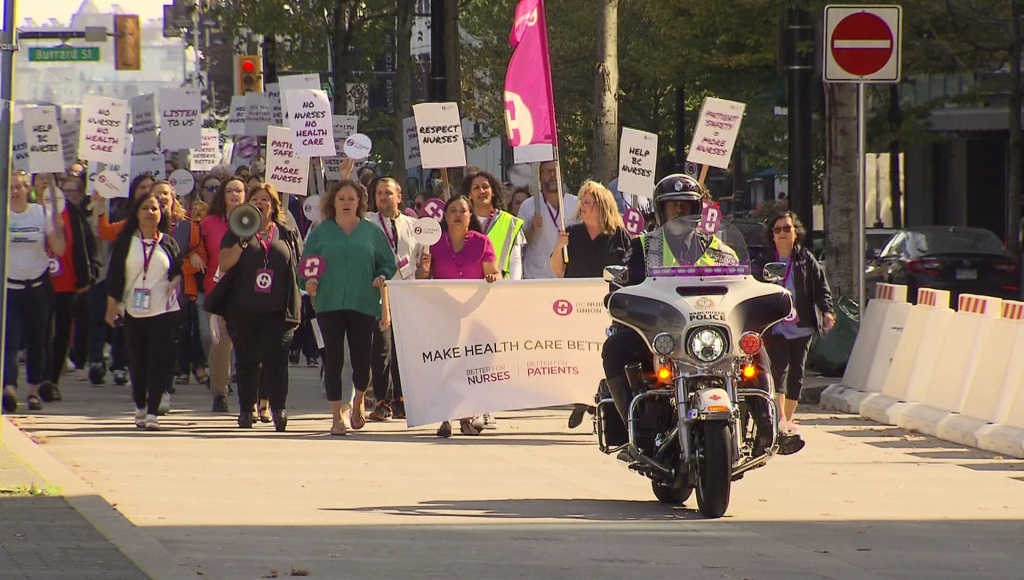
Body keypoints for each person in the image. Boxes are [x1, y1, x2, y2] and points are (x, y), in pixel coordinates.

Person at [601, 174, 805, 455]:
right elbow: (624, 284)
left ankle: (770, 428)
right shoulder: (644, 248)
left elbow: (745, 281)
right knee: (614, 347)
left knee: (752, 344)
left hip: (712, 332)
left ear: (697, 210)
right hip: (661, 336)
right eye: (672, 207)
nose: (679, 213)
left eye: (685, 207)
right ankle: (632, 433)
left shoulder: (720, 250)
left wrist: (762, 285)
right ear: (660, 211)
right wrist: (619, 290)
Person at [302, 180, 396, 436]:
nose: (346, 203)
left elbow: (388, 263)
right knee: (333, 360)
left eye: (351, 199)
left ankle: (357, 403)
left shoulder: (371, 232)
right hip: (328, 302)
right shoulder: (322, 232)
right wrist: (309, 282)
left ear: (359, 203)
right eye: (341, 198)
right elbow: (306, 265)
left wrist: (382, 277)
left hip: (363, 302)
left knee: (360, 360)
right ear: (333, 202)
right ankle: (336, 417)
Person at [217, 183, 302, 431]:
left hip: (278, 310)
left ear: (274, 206)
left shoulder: (286, 232)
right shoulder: (236, 231)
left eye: (266, 199)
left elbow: (295, 267)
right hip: (244, 310)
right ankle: (246, 410)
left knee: (277, 361)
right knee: (247, 360)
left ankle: (278, 409)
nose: (260, 202)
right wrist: (243, 241)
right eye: (255, 198)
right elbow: (224, 263)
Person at [416, 196, 501, 437]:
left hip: (474, 312)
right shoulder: (433, 244)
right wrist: (422, 270)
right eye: (451, 210)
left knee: (468, 367)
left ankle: (466, 416)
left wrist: (493, 278)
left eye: (462, 210)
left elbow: (494, 273)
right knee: (445, 364)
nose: (456, 214)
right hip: (443, 313)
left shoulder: (482, 242)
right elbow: (422, 281)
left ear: (470, 215)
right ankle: (445, 418)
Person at [551, 181, 631, 429]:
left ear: (601, 205)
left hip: (609, 306)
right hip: (578, 307)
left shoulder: (619, 234)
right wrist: (559, 247)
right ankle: (582, 399)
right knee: (580, 353)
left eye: (587, 202)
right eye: (581, 202)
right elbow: (557, 270)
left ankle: (597, 400)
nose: (582, 207)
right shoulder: (572, 234)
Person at [104, 190, 182, 431]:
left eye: (155, 209)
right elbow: (115, 276)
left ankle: (153, 412)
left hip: (163, 311)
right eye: (146, 208)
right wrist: (112, 307)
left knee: (159, 361)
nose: (151, 213)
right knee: (138, 361)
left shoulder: (168, 242)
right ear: (136, 213)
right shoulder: (126, 243)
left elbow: (178, 270)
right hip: (134, 310)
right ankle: (140, 405)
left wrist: (175, 281)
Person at [753, 211, 835, 433]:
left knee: (797, 374)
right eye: (777, 230)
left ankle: (786, 420)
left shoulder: (805, 259)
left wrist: (827, 311)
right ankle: (779, 418)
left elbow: (821, 287)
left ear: (795, 233)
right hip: (774, 326)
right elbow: (752, 287)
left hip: (802, 326)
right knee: (779, 369)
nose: (782, 233)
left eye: (787, 228)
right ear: (771, 235)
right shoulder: (763, 261)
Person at [3, 172, 65, 413]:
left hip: (37, 286)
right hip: (10, 286)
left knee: (38, 340)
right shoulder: (4, 213)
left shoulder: (40, 213)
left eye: (20, 186)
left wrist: (58, 229)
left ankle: (32, 390)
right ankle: (8, 388)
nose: (16, 191)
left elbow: (58, 249)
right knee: (9, 340)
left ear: (27, 188)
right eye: (11, 187)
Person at [364, 178, 426, 422]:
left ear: (399, 196)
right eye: (379, 193)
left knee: (405, 351)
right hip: (379, 292)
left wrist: (425, 267)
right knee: (382, 349)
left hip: (407, 293)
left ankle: (402, 399)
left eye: (388, 193)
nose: (382, 197)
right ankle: (382, 400)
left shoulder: (414, 225)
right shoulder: (368, 222)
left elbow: (421, 258)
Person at [40, 176, 99, 403]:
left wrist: (89, 274)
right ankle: (41, 377)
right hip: (38, 282)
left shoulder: (72, 213)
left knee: (61, 333)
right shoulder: (34, 212)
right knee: (42, 333)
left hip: (67, 284)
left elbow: (86, 244)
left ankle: (51, 380)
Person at [201, 178, 246, 413]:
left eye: (240, 190)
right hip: (219, 292)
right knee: (220, 345)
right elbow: (197, 249)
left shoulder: (254, 222)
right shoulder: (208, 223)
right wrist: (193, 257)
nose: (235, 194)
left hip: (249, 292)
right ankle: (219, 393)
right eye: (230, 190)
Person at [516, 160, 578, 279]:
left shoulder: (575, 203)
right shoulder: (529, 205)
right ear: (540, 177)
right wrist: (532, 229)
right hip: (537, 276)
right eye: (547, 172)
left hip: (567, 276)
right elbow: (518, 243)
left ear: (562, 175)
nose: (552, 175)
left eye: (555, 171)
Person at [464, 170, 524, 280]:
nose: (481, 191)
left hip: (500, 286)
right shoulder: (463, 221)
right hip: (470, 286)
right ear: (469, 195)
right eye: (476, 188)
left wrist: (514, 287)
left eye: (485, 186)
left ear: (493, 192)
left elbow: (515, 261)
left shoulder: (510, 222)